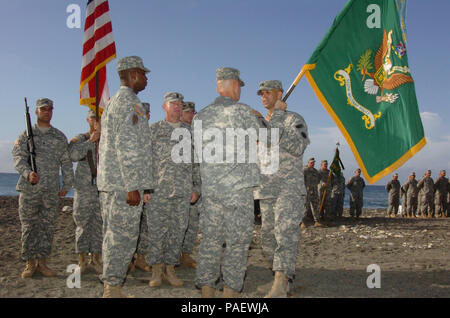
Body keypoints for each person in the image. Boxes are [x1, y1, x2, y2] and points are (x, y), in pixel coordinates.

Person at [194, 67, 261, 298]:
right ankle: (230, 295)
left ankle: (206, 294)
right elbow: (267, 135)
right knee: (237, 244)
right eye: (239, 86)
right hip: (237, 191)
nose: (240, 90)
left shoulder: (200, 116)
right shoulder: (244, 112)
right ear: (233, 85)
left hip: (211, 192)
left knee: (210, 243)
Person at [97, 56, 154, 298]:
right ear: (132, 75)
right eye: (143, 73)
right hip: (123, 185)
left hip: (112, 182)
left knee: (113, 236)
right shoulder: (130, 102)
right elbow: (127, 145)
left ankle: (112, 286)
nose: (146, 78)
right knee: (122, 238)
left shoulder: (113, 102)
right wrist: (133, 186)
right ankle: (112, 289)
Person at [253, 80, 309, 297]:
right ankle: (280, 278)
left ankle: (280, 282)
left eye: (268, 92)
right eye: (261, 93)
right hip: (265, 190)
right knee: (268, 238)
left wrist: (276, 118)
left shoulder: (293, 119)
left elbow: (298, 147)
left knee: (285, 234)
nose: (264, 96)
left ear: (280, 94)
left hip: (288, 188)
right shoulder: (263, 122)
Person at [12, 98, 74, 279]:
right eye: (43, 109)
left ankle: (43, 263)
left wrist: (67, 184)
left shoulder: (59, 136)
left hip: (50, 190)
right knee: (29, 227)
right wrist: (27, 173)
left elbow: (66, 162)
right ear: (37, 112)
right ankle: (30, 264)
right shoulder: (26, 135)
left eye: (50, 109)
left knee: (47, 227)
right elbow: (18, 158)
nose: (47, 112)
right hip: (29, 189)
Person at [147, 92, 201, 288]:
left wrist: (197, 188)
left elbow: (197, 163)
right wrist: (145, 188)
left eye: (180, 104)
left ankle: (170, 269)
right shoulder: (153, 130)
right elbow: (145, 161)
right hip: (157, 191)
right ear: (164, 107)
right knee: (156, 232)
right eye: (173, 104)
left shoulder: (190, 132)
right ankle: (156, 271)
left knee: (177, 232)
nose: (177, 107)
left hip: (183, 192)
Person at [68, 109, 102, 274]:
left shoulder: (107, 140)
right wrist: (91, 141)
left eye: (99, 118)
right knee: (82, 224)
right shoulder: (80, 138)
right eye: (94, 118)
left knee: (99, 225)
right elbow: (72, 155)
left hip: (102, 190)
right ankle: (81, 260)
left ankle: (95, 259)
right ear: (88, 119)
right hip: (84, 189)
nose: (97, 121)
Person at [128, 102, 152, 273]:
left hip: (146, 189)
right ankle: (127, 259)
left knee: (144, 226)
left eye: (147, 113)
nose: (145, 116)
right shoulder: (130, 134)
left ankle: (141, 258)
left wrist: (148, 189)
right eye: (142, 113)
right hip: (131, 188)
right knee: (129, 226)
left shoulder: (150, 134)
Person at [180, 101, 201, 269]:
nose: (191, 115)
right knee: (176, 223)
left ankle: (186, 254)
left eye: (193, 112)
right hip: (178, 185)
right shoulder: (175, 131)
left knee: (192, 222)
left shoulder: (197, 132)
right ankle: (171, 257)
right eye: (188, 112)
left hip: (196, 184)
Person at [301, 158, 324, 227]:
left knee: (316, 206)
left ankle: (317, 221)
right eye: (311, 162)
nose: (312, 164)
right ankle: (303, 222)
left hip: (314, 192)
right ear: (308, 163)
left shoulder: (316, 171)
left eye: (313, 162)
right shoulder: (304, 170)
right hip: (306, 192)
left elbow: (319, 180)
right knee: (305, 207)